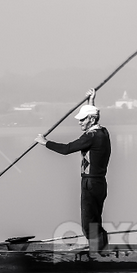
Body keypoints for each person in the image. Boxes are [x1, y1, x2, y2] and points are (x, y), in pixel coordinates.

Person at [35, 89, 110, 251]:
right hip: (99, 183)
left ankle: (97, 255)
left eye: (82, 119)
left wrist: (45, 142)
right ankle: (101, 250)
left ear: (91, 119)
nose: (79, 123)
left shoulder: (90, 137)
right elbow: (95, 118)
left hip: (90, 183)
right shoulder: (102, 132)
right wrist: (91, 101)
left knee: (89, 224)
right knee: (95, 220)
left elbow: (67, 149)